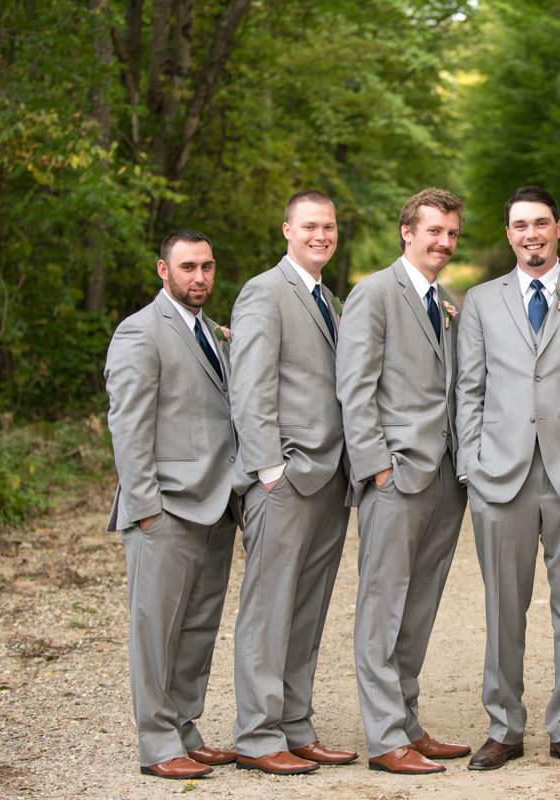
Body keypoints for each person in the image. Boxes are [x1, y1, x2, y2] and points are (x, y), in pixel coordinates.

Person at [455, 185, 560, 771]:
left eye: (540, 224)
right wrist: (470, 466)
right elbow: (469, 390)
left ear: (559, 227)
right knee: (504, 606)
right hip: (499, 476)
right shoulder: (481, 300)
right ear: (509, 234)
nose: (531, 234)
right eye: (520, 226)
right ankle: (503, 726)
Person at [336, 188, 471, 774]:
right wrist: (378, 467)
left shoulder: (446, 301)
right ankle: (385, 736)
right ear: (406, 232)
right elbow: (355, 387)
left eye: (452, 234)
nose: (443, 242)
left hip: (444, 478)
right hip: (395, 477)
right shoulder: (373, 295)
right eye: (434, 231)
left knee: (419, 606)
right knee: (383, 607)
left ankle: (408, 721)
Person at [105, 230, 243, 779]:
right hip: (164, 508)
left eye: (207, 266)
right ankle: (158, 743)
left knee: (198, 626)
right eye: (187, 267)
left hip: (215, 504)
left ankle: (186, 727)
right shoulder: (140, 332)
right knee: (156, 630)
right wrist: (145, 507)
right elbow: (129, 426)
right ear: (163, 270)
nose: (200, 277)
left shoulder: (213, 332)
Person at [227, 190, 356, 775]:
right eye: (309, 226)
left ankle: (295, 724)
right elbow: (248, 386)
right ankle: (256, 735)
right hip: (286, 478)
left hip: (329, 480)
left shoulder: (329, 298)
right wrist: (269, 470)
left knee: (307, 609)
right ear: (286, 230)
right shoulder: (264, 291)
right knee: (268, 609)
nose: (320, 235)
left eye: (328, 226)